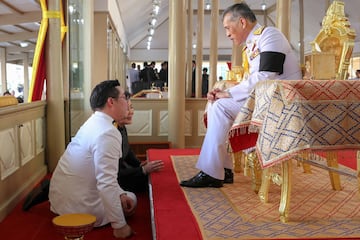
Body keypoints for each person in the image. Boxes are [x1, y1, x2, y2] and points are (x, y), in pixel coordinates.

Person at [180, 3, 302, 188]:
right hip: (266, 101)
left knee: (220, 106)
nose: (227, 34)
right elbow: (255, 80)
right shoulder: (252, 44)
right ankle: (222, 169)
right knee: (216, 105)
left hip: (282, 103)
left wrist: (227, 93)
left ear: (242, 22)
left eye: (228, 28)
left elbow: (266, 76)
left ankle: (214, 171)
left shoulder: (270, 35)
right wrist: (225, 94)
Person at [49, 80, 136, 238]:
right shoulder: (108, 132)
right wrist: (120, 226)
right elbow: (106, 182)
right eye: (126, 97)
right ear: (111, 101)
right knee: (133, 199)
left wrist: (120, 194)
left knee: (125, 195)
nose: (129, 102)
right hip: (81, 208)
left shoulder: (94, 122)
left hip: (61, 202)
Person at [117, 97, 164, 192]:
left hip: (128, 171)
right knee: (160, 185)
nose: (131, 112)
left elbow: (127, 150)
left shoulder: (121, 126)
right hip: (120, 181)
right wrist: (143, 169)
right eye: (127, 109)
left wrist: (139, 163)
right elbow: (116, 173)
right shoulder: (110, 134)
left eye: (131, 107)